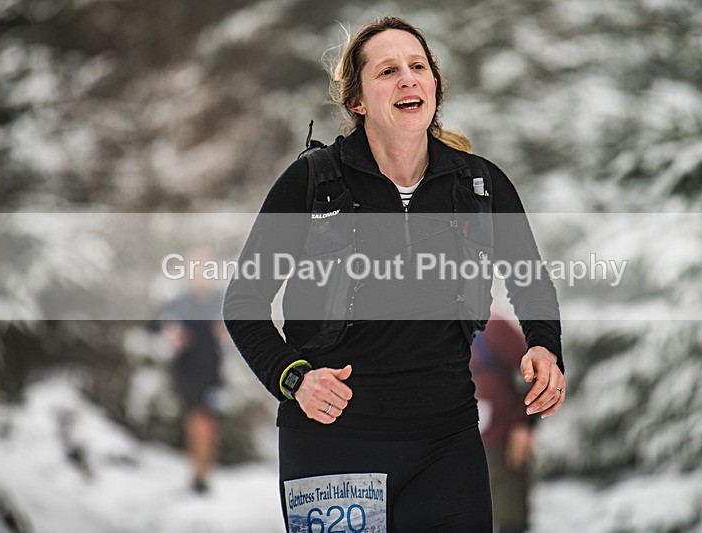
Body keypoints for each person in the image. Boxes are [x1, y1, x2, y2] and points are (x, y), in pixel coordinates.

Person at [223, 16, 566, 532]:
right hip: (331, 442)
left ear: (433, 87)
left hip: (446, 444)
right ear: (357, 101)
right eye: (387, 71)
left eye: (417, 66)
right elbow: (244, 303)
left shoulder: (479, 185)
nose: (407, 78)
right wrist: (294, 379)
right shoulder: (312, 183)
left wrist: (544, 345)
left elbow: (531, 283)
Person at [161, 250, 224, 495]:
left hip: (212, 370)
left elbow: (236, 327)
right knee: (195, 421)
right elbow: (154, 326)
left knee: (208, 423)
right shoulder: (179, 301)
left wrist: (226, 331)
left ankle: (203, 471)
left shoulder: (220, 300)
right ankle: (198, 473)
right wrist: (171, 334)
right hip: (185, 370)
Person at [471, 312, 540, 533]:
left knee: (511, 518)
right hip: (455, 449)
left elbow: (536, 373)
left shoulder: (491, 327)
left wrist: (525, 426)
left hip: (501, 446)